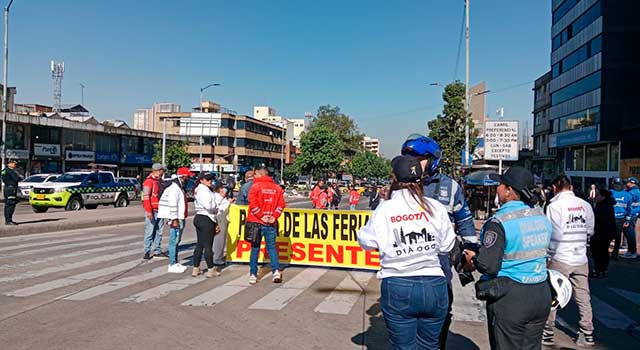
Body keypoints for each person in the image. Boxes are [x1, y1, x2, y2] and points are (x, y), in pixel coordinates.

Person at [357, 155, 456, 349]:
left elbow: (366, 240)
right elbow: (447, 246)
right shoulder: (435, 207)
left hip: (399, 284)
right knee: (430, 346)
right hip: (435, 284)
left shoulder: (385, 210)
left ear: (394, 178)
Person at [463, 166, 552, 350]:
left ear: (509, 191)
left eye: (500, 185)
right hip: (540, 292)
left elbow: (489, 265)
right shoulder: (540, 215)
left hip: (511, 298)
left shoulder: (499, 222)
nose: (497, 189)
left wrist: (473, 257)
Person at [401, 134, 477, 349]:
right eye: (408, 157)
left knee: (440, 313)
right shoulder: (400, 186)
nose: (412, 163)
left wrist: (470, 249)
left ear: (433, 159)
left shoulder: (450, 188)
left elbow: (465, 220)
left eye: (418, 158)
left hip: (440, 262)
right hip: (407, 261)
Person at [543, 175, 595, 347]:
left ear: (555, 187)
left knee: (552, 295)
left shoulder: (554, 206)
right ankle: (587, 332)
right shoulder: (585, 205)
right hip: (580, 256)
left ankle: (547, 332)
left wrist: (548, 257)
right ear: (571, 187)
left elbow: (551, 234)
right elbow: (590, 230)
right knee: (583, 295)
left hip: (560, 256)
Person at [247, 165, 285, 284]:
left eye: (255, 174)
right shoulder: (277, 188)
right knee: (272, 248)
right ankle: (276, 271)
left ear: (260, 174)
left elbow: (252, 204)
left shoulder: (255, 186)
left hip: (256, 222)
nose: (254, 177)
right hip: (271, 222)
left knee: (255, 249)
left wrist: (261, 216)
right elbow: (281, 205)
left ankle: (253, 274)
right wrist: (273, 216)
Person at [158, 167, 193, 273]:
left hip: (179, 217)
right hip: (176, 218)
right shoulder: (174, 188)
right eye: (187, 176)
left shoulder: (179, 187)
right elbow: (173, 204)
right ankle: (172, 263)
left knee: (177, 240)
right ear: (183, 177)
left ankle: (175, 262)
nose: (189, 179)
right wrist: (174, 219)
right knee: (174, 240)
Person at [192, 173, 219, 277]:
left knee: (200, 244)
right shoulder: (204, 191)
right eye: (207, 179)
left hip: (199, 217)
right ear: (201, 180)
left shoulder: (201, 189)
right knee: (208, 245)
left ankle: (196, 268)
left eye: (211, 179)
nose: (210, 181)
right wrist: (215, 206)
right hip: (206, 217)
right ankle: (211, 269)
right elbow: (209, 205)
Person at [141, 163, 166, 260]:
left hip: (160, 210)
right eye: (162, 170)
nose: (163, 172)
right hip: (152, 210)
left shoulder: (160, 181)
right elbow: (146, 197)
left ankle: (157, 250)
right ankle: (147, 251)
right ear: (159, 171)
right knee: (149, 232)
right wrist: (148, 211)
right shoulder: (148, 182)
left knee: (159, 231)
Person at [591, 188, 616, 277]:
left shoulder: (603, 206)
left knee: (599, 252)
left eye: (597, 195)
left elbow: (600, 219)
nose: (595, 197)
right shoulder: (607, 205)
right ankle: (603, 270)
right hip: (606, 232)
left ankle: (599, 270)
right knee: (603, 251)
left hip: (601, 232)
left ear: (602, 196)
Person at [213, 181, 234, 274]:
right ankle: (217, 258)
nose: (224, 190)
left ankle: (219, 256)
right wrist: (228, 203)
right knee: (219, 239)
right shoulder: (216, 197)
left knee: (221, 238)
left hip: (223, 219)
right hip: (220, 219)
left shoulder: (221, 197)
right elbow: (219, 209)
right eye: (223, 188)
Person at [610, 177, 632, 260]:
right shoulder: (627, 194)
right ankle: (615, 254)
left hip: (612, 218)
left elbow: (629, 208)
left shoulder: (610, 193)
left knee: (610, 236)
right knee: (617, 237)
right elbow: (629, 209)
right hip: (620, 218)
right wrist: (627, 220)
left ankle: (612, 254)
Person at [622, 177, 640, 259]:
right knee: (627, 232)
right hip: (631, 214)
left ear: (633, 183)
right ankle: (630, 250)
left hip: (632, 215)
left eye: (628, 182)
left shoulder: (634, 192)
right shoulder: (631, 191)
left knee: (630, 233)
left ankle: (633, 252)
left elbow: (627, 199)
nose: (626, 183)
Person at [2, 160, 22, 225]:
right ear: (10, 164)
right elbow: (16, 179)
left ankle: (8, 220)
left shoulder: (4, 170)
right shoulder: (11, 171)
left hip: (7, 188)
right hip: (11, 189)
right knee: (11, 204)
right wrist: (19, 177)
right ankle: (9, 220)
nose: (15, 165)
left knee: (8, 204)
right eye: (14, 163)